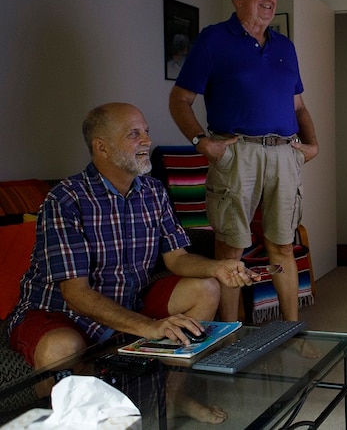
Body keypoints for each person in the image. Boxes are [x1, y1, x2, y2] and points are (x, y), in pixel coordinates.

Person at [7, 103, 257, 423]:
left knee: (206, 288)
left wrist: (217, 267)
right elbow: (76, 293)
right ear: (102, 148)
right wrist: (150, 327)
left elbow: (177, 258)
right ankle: (77, 416)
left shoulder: (153, 191)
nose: (147, 141)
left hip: (127, 301)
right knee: (61, 348)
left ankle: (173, 394)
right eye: (134, 134)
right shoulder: (66, 199)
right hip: (57, 311)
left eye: (146, 132)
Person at [168, 0, 319, 325]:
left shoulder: (285, 46)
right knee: (230, 248)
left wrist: (313, 143)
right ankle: (231, 335)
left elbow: (298, 105)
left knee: (283, 244)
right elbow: (180, 100)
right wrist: (201, 142)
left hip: (285, 151)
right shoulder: (213, 40)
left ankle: (292, 330)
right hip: (237, 152)